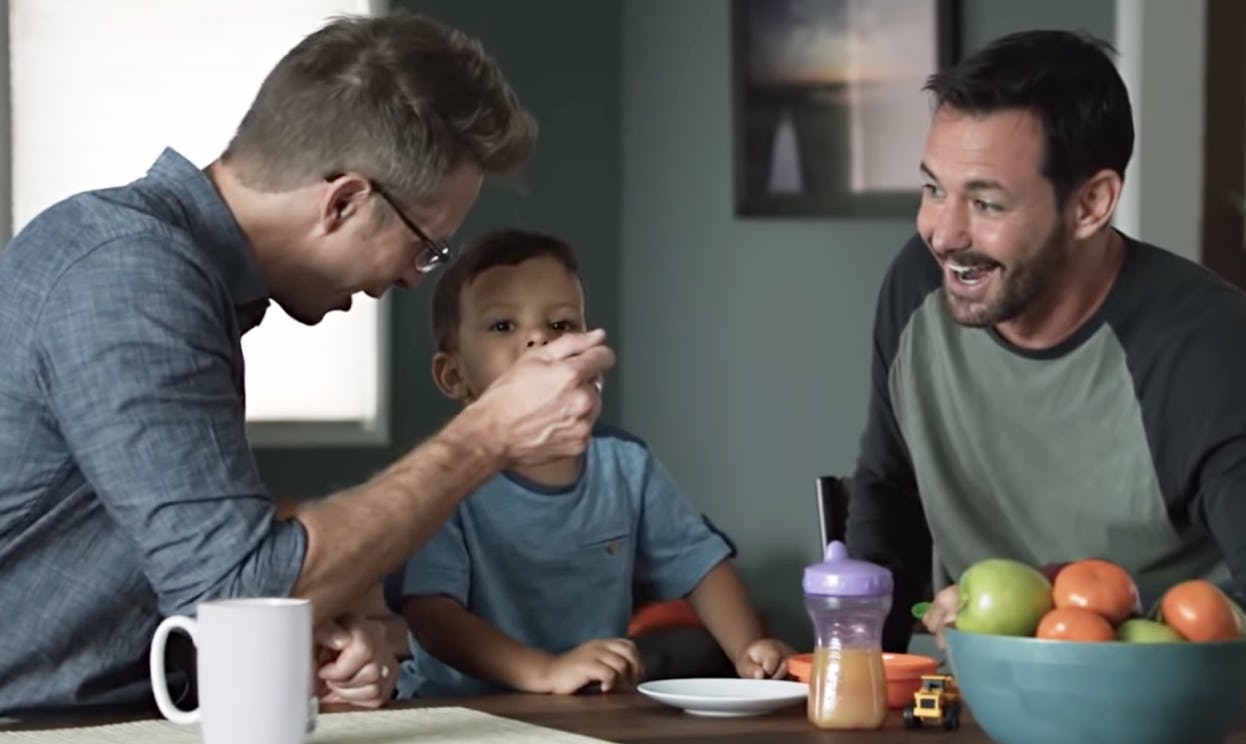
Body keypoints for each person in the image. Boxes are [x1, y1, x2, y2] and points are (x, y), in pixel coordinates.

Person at [0, 12, 616, 717]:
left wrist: (339, 620)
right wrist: (489, 433)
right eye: (427, 247)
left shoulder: (156, 269)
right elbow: (231, 594)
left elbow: (196, 543)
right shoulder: (129, 279)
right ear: (346, 201)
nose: (416, 280)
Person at [844, 29, 1246, 653]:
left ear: (1090, 204)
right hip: (984, 702)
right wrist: (868, 668)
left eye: (986, 202)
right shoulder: (917, 287)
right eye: (933, 189)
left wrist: (1044, 617)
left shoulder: (1207, 345)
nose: (943, 234)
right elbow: (889, 488)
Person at [394, 229, 792, 698]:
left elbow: (700, 565)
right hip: (462, 717)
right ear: (453, 375)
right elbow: (432, 616)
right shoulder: (446, 477)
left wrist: (751, 651)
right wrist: (544, 672)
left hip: (586, 711)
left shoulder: (625, 464)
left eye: (561, 325)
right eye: (503, 326)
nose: (538, 338)